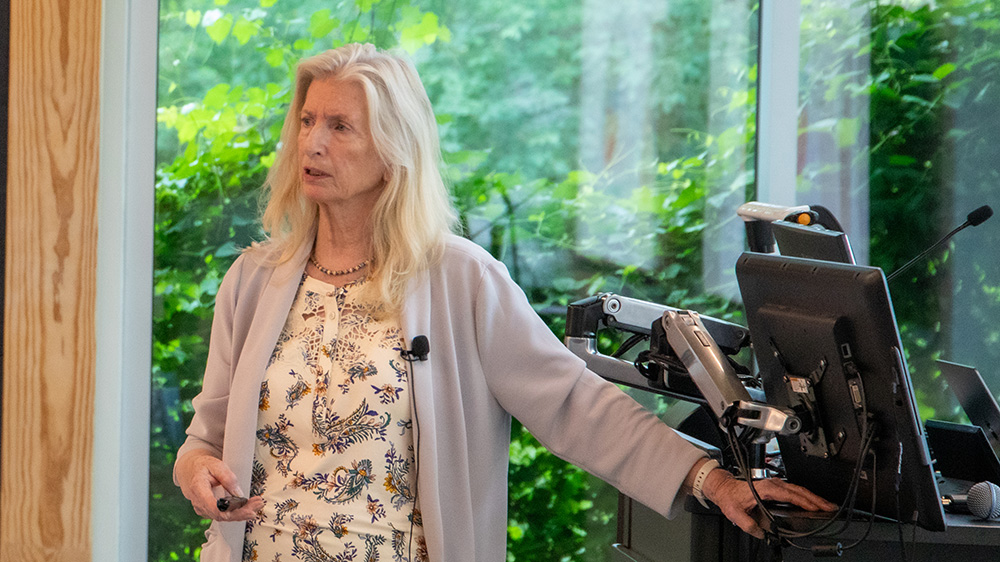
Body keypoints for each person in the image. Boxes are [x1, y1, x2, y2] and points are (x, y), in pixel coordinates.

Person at [173, 42, 835, 562]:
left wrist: (710, 479)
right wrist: (199, 470)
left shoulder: (460, 280)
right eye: (308, 121)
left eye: (341, 126)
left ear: (395, 150)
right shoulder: (254, 279)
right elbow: (204, 440)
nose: (313, 142)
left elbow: (573, 404)